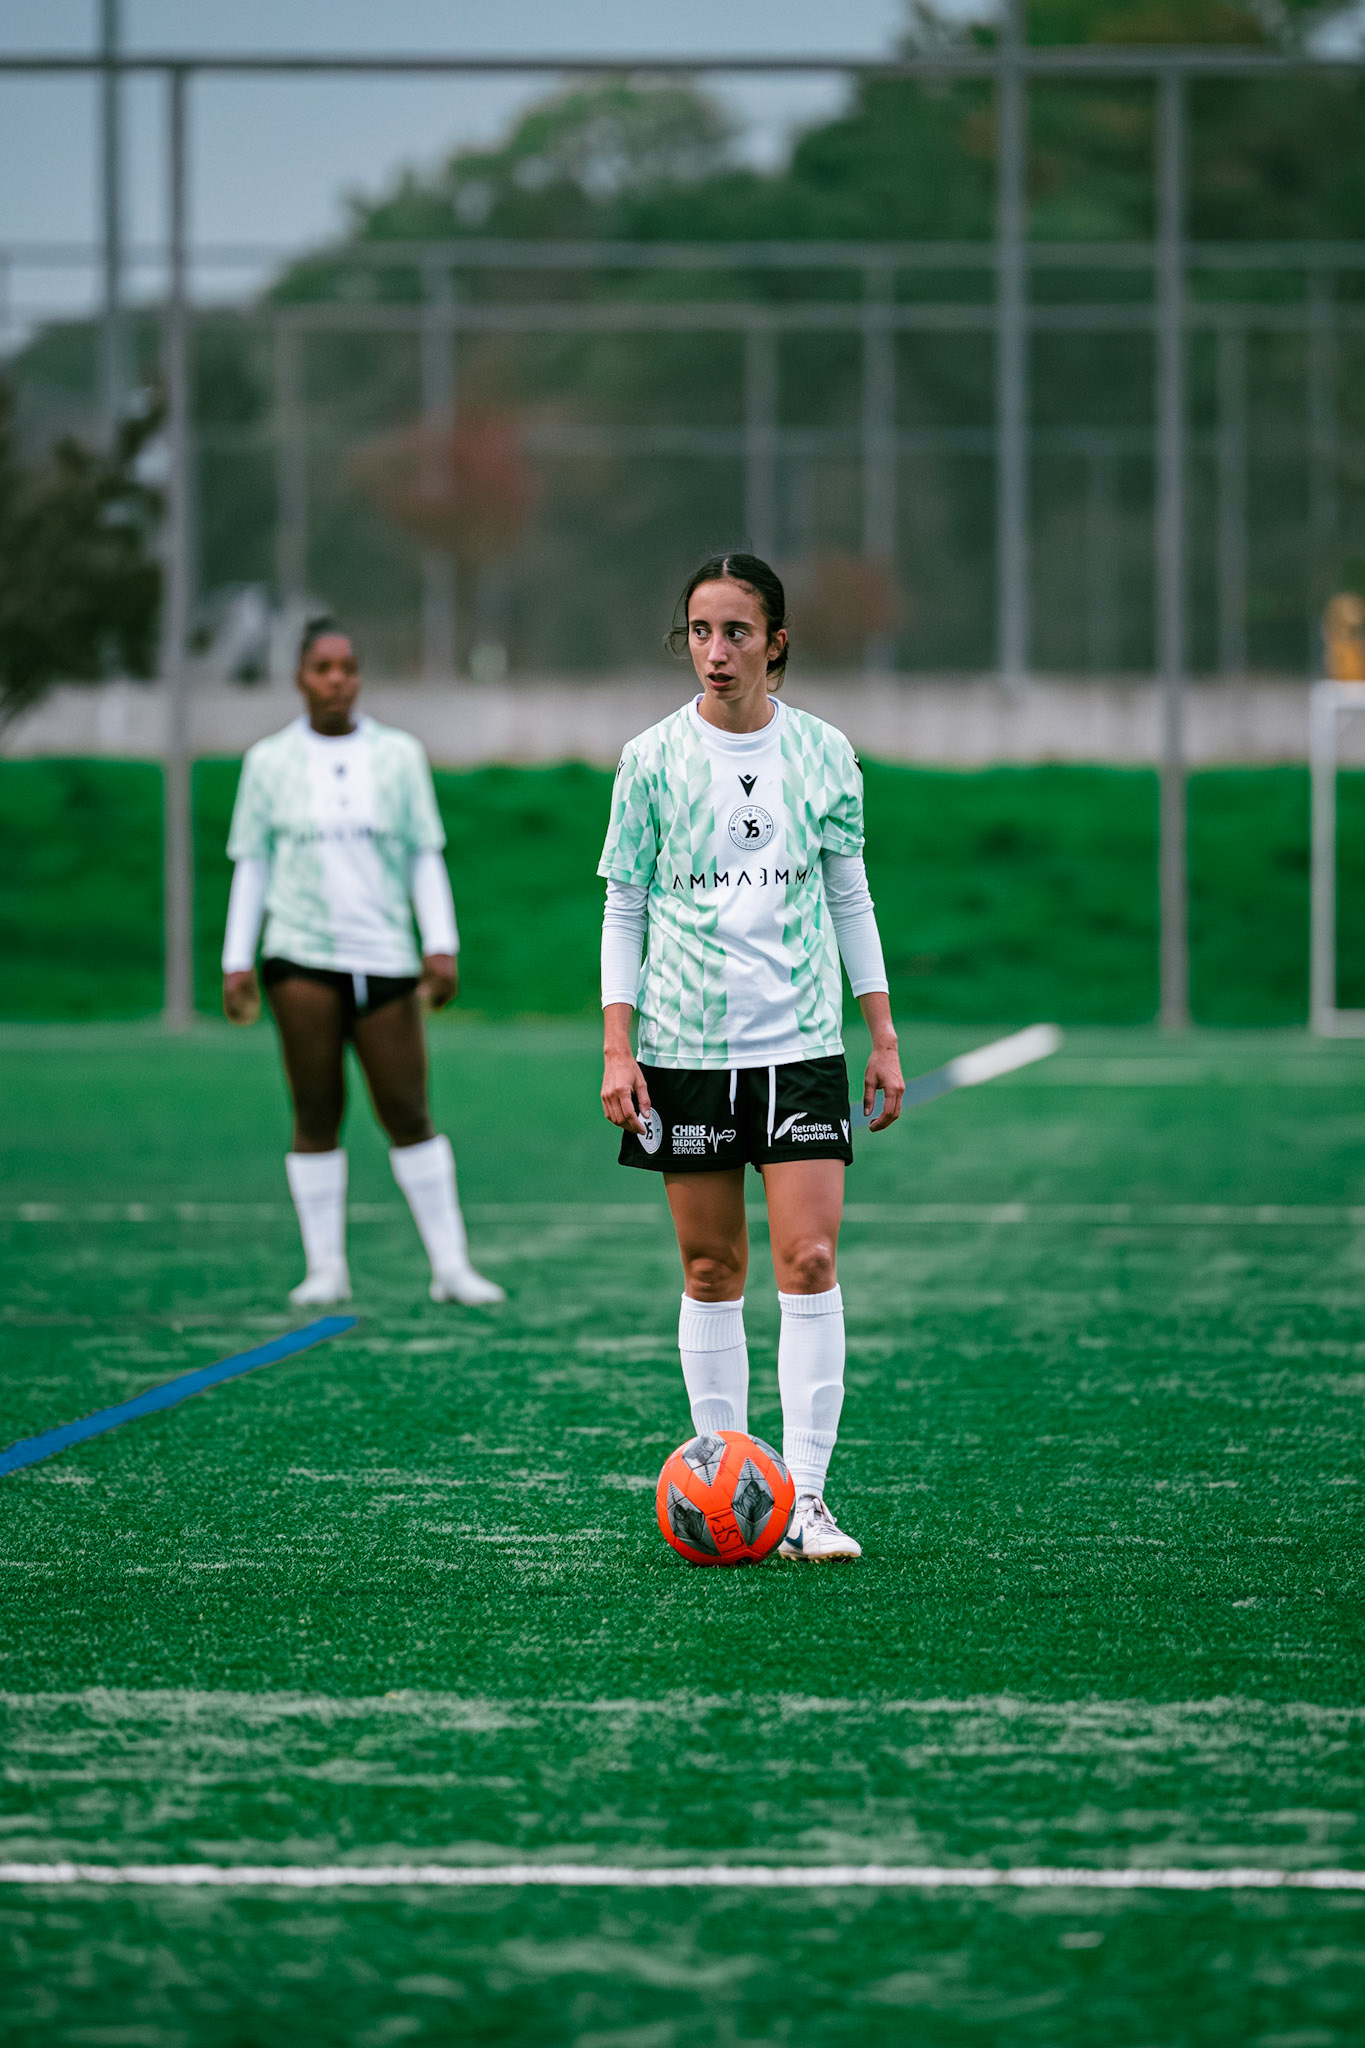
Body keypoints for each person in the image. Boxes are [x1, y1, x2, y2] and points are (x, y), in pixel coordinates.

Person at [599, 553, 904, 1560]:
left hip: (802, 1042)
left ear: (776, 640)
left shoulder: (824, 754)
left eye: (735, 631)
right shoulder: (649, 758)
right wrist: (619, 1045)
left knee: (809, 1260)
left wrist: (883, 1032)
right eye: (698, 630)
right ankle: (730, 1486)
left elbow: (850, 897)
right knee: (709, 1264)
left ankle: (807, 1501)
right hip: (684, 1050)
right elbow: (625, 904)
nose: (715, 651)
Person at [220, 615, 503, 1309]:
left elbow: (422, 853)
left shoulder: (398, 755)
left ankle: (451, 1267)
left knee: (408, 1109)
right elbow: (252, 864)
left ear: (359, 677)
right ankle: (325, 1270)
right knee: (316, 1111)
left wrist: (441, 944)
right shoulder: (268, 762)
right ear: (300, 678)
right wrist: (237, 959)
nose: (336, 680)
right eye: (323, 668)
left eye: (347, 667)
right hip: (300, 955)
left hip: (384, 958)